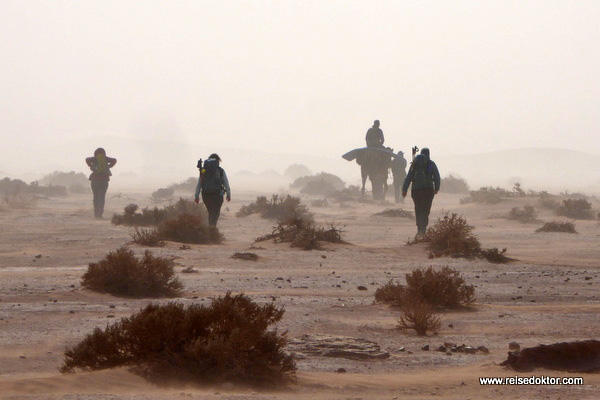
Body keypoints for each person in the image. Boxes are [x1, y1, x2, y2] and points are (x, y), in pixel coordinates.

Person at [402, 148, 440, 236]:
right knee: (426, 210)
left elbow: (408, 177)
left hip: (416, 191)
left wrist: (404, 189)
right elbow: (436, 176)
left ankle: (419, 229)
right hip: (428, 190)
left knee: (418, 209)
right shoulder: (430, 164)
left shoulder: (414, 164)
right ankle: (423, 228)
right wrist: (436, 188)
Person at [194, 153, 231, 227]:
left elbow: (199, 184)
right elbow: (226, 184)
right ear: (218, 161)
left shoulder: (203, 170)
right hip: (217, 195)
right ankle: (212, 229)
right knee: (215, 213)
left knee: (210, 212)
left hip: (205, 195)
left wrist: (196, 196)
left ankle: (211, 228)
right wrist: (228, 195)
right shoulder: (220, 170)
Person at [85, 148, 117, 219]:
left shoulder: (94, 159)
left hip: (95, 180)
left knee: (95, 197)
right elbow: (114, 160)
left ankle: (96, 214)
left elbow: (87, 159)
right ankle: (100, 214)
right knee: (101, 197)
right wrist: (108, 166)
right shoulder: (106, 159)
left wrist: (92, 166)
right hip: (104, 180)